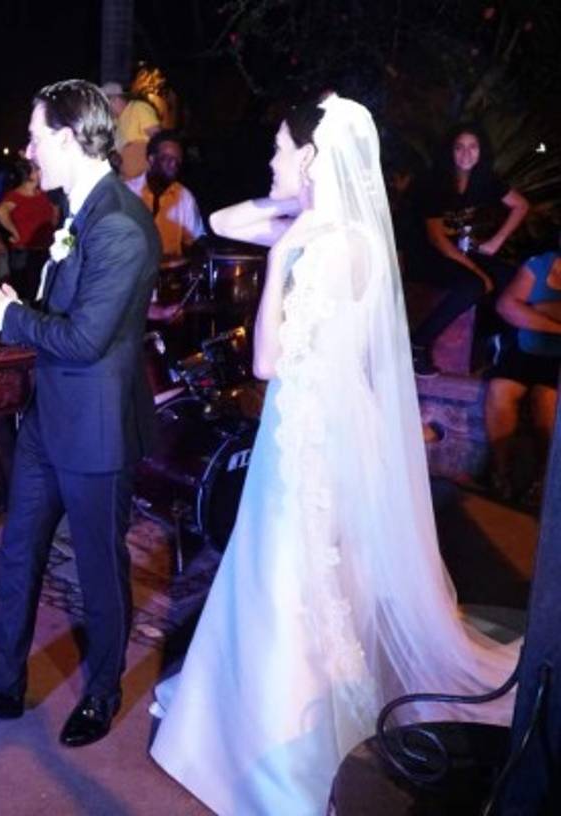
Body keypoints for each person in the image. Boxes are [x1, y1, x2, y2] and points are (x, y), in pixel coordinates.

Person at [149, 95, 519, 815]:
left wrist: (287, 243)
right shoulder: (357, 234)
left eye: (281, 151)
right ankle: (288, 709)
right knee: (312, 572)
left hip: (303, 436)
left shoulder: (318, 247)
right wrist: (297, 207)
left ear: (314, 158)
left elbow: (264, 363)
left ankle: (274, 745)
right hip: (331, 429)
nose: (270, 161)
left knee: (285, 572)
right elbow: (225, 223)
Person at [0, 79, 159, 748]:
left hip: (95, 431)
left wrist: (6, 313)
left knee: (99, 570)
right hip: (46, 420)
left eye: (34, 136)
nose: (26, 149)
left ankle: (102, 691)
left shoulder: (118, 222)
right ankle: (0, 683)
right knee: (18, 555)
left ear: (64, 137)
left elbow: (86, 340)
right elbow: (62, 318)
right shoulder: (77, 213)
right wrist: (14, 303)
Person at [410, 124, 529, 376]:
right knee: (473, 285)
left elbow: (521, 205)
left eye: (473, 147)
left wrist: (496, 242)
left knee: (513, 278)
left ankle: (498, 346)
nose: (466, 154)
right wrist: (478, 270)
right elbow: (437, 239)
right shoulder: (433, 182)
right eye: (459, 147)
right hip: (425, 254)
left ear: (481, 150)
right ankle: (416, 345)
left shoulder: (484, 179)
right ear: (450, 151)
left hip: (457, 251)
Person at [483, 249, 561, 506]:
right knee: (500, 389)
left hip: (556, 358)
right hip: (525, 349)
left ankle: (544, 481)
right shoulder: (539, 264)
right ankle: (500, 473)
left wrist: (531, 310)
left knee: (547, 399)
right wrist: (555, 323)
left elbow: (522, 308)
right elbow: (506, 306)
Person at [0, 158, 58, 302]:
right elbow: (0, 212)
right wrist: (15, 232)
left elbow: (53, 212)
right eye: (36, 169)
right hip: (24, 252)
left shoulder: (42, 193)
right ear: (29, 174)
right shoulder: (16, 195)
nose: (40, 172)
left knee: (40, 293)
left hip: (43, 250)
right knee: (25, 295)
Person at [139, 131, 205, 263]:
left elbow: (196, 240)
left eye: (177, 160)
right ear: (152, 159)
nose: (173, 164)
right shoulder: (128, 192)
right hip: (134, 275)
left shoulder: (184, 197)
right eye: (168, 158)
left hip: (169, 275)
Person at [102, 80, 160, 192]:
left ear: (114, 99)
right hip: (127, 181)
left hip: (144, 181)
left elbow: (157, 138)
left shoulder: (138, 108)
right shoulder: (115, 122)